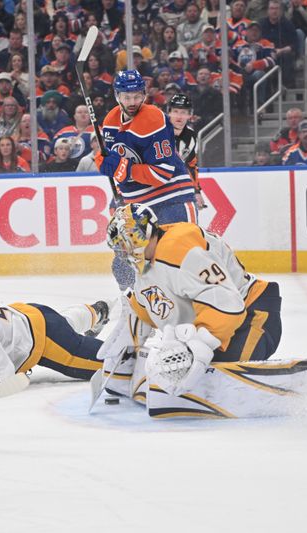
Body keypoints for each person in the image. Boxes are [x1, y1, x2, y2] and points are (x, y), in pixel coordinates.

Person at [98, 203, 282, 412]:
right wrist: (126, 349)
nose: (122, 252)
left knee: (216, 370)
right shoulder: (146, 266)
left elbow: (227, 303)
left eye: (124, 243)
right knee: (183, 366)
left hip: (253, 312)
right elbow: (147, 310)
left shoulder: (178, 247)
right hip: (226, 318)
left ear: (140, 234)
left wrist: (199, 344)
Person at [95, 70, 197, 289]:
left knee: (179, 260)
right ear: (117, 96)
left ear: (144, 94)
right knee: (123, 264)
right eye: (126, 96)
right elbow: (113, 159)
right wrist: (102, 160)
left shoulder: (153, 119)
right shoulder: (110, 121)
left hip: (172, 199)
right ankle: (133, 311)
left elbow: (163, 173)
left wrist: (125, 169)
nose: (132, 102)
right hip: (137, 205)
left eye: (137, 96)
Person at [168, 93, 205, 210]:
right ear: (169, 112)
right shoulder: (157, 131)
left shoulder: (191, 136)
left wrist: (197, 191)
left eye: (183, 112)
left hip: (177, 186)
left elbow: (191, 165)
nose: (179, 116)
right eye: (175, 111)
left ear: (190, 115)